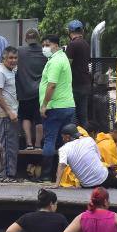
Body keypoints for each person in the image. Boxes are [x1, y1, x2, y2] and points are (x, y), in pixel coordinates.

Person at [53, 124, 117, 196]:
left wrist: (56, 184)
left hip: (86, 185)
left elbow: (61, 165)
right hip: (104, 179)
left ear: (67, 137)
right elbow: (97, 158)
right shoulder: (89, 140)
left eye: (63, 137)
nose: (63, 139)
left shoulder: (63, 149)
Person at [39, 34, 75, 182]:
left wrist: (44, 105)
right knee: (64, 142)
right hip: (68, 106)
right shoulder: (63, 58)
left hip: (55, 107)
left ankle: (46, 175)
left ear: (55, 45)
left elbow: (51, 85)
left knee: (50, 140)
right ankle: (63, 175)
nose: (44, 48)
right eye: (43, 45)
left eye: (47, 45)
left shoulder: (55, 62)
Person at [16, 28, 48, 150]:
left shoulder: (20, 51)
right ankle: (38, 144)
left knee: (26, 117)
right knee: (39, 119)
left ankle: (29, 143)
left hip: (24, 91)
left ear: (26, 39)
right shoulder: (44, 52)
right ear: (38, 39)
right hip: (40, 91)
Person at [0, 46, 19, 180]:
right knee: (6, 145)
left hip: (11, 113)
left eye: (15, 58)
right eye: (10, 58)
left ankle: (10, 174)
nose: (13, 61)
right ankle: (5, 174)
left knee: (12, 144)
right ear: (4, 58)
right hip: (4, 115)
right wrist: (9, 111)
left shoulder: (11, 71)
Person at [64, 20, 91, 128]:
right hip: (85, 84)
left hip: (75, 85)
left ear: (70, 32)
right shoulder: (86, 44)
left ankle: (74, 140)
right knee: (83, 116)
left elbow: (67, 65)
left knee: (73, 116)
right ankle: (85, 139)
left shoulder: (73, 45)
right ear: (82, 31)